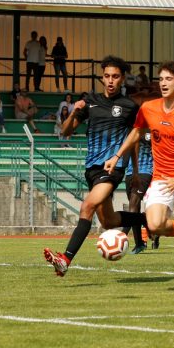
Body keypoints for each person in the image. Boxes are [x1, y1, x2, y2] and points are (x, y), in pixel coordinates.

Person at [105, 60, 174, 291]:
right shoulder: (148, 108)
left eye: (169, 79)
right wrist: (117, 156)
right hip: (162, 176)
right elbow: (135, 133)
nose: (163, 83)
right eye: (160, 79)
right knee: (154, 224)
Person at [43, 55, 145, 277]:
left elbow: (134, 139)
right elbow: (65, 132)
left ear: (122, 79)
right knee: (108, 221)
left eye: (115, 76)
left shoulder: (129, 107)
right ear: (102, 77)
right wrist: (73, 111)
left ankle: (64, 260)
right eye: (107, 76)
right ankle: (150, 221)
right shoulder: (90, 101)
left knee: (86, 207)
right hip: (92, 169)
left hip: (112, 168)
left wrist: (134, 172)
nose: (110, 80)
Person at [121, 130, 154, 254]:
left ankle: (120, 236)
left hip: (145, 172)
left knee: (133, 206)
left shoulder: (152, 130)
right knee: (135, 208)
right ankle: (139, 242)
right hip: (129, 173)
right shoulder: (130, 130)